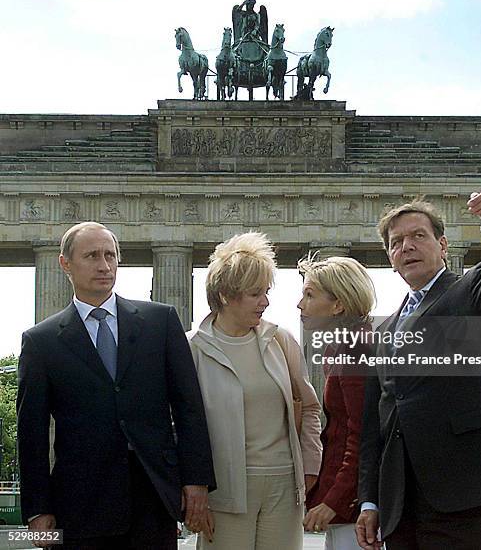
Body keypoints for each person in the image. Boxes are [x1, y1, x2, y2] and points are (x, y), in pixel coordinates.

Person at [355, 170, 481, 550]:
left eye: (418, 236)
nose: (407, 247)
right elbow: (376, 422)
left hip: (466, 491)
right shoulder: (383, 331)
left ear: (443, 245)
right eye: (396, 242)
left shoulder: (471, 292)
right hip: (401, 501)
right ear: (390, 258)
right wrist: (370, 499)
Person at [17, 221, 215, 549]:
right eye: (92, 256)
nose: (105, 266)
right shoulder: (41, 342)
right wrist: (38, 511)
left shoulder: (161, 322)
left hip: (153, 497)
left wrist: (197, 482)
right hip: (78, 507)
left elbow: (189, 407)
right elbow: (32, 435)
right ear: (65, 264)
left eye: (110, 256)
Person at [187, 232, 322, 550]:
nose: (265, 302)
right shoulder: (190, 348)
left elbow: (311, 407)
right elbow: (179, 425)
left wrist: (310, 466)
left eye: (265, 292)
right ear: (224, 295)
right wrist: (192, 489)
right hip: (224, 490)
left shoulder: (281, 340)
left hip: (284, 487)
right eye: (254, 294)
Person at [298, 255, 376, 550]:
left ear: (338, 304)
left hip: (354, 508)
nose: (300, 304)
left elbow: (363, 434)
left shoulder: (355, 348)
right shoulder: (340, 347)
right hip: (347, 503)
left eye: (309, 295)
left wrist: (334, 499)